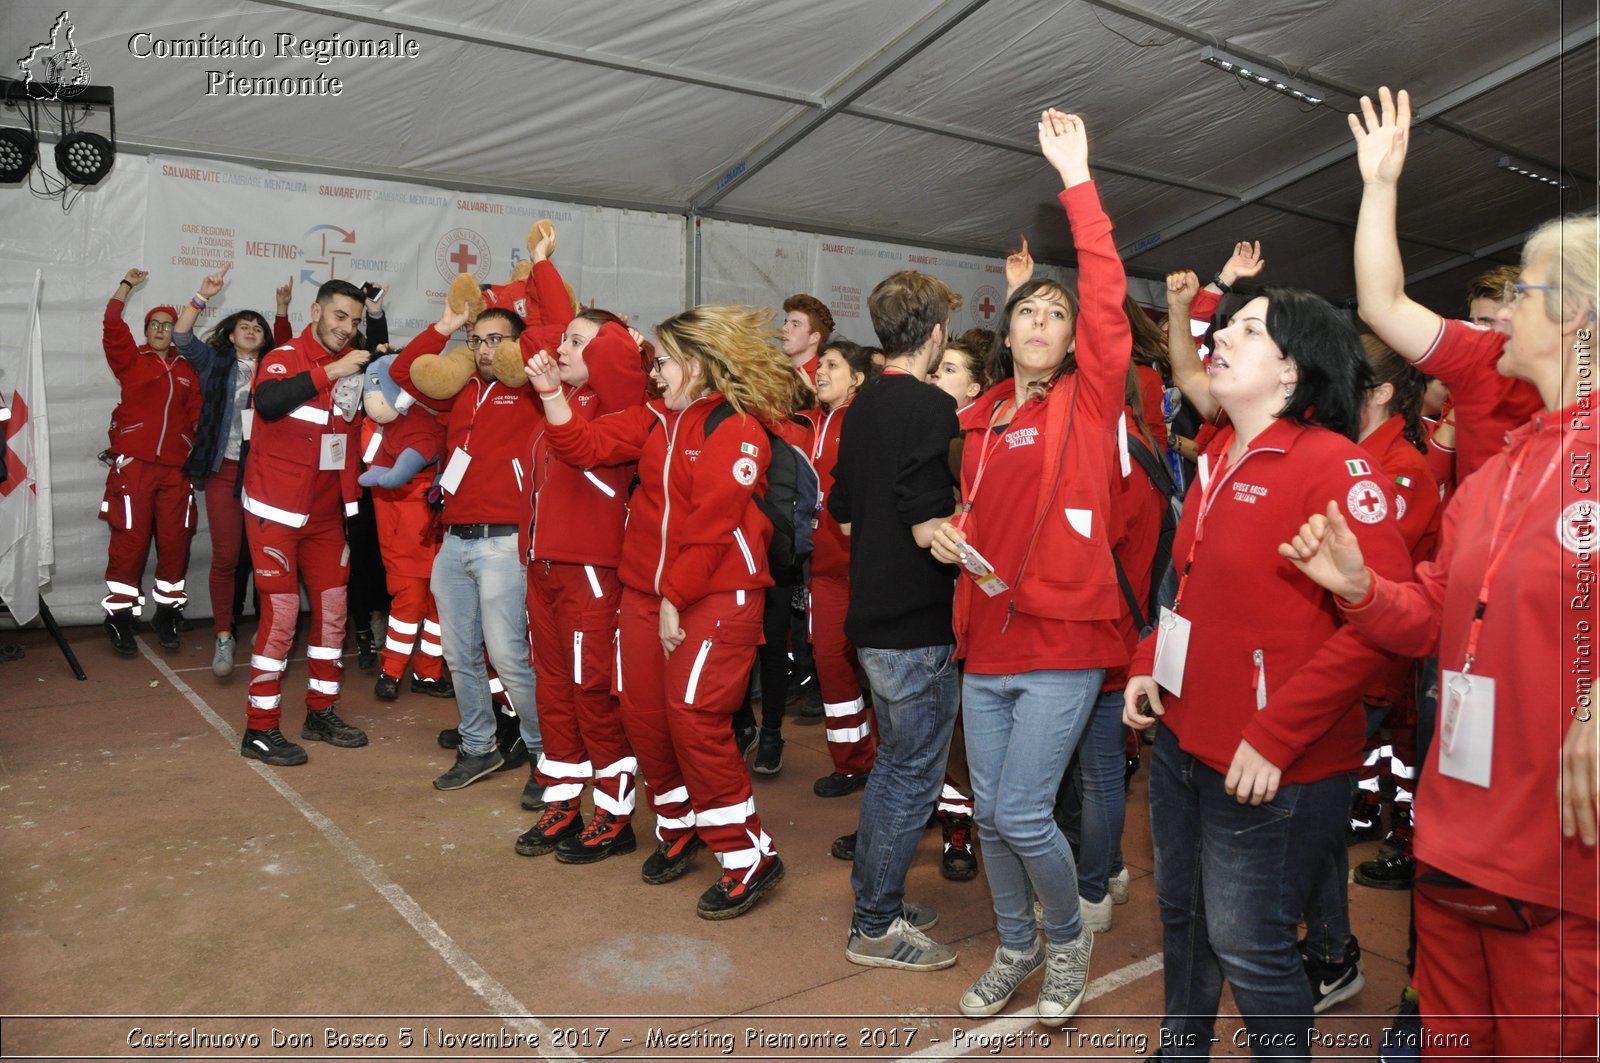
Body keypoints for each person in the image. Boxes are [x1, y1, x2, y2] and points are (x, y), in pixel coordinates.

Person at [1283, 206, 1599, 1058]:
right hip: (1457, 833)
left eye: (1522, 294)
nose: (1499, 319)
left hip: (1559, 861)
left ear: (1574, 313)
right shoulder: (1503, 468)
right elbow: (1430, 613)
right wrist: (1359, 589)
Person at [1120, 282, 1413, 1057]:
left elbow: (1380, 629)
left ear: (1293, 370)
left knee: (1250, 944)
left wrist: (1276, 734)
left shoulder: (1335, 469)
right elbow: (1187, 583)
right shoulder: (1221, 451)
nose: (1221, 338)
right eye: (1229, 325)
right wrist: (1152, 661)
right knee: (1182, 917)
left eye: (1248, 330)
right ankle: (1182, 1047)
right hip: (1185, 741)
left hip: (1273, 763)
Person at [928, 109, 1126, 1023]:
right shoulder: (985, 416)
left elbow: (1108, 298)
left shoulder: (1089, 402)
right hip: (989, 634)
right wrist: (946, 533)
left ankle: (1068, 937)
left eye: (1057, 313)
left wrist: (1077, 181)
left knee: (1019, 813)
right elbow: (982, 514)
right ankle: (1016, 945)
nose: (1043, 321)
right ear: (1005, 336)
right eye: (1027, 314)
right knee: (990, 810)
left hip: (1065, 634)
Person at [527, 305, 790, 920]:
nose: (657, 373)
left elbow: (713, 525)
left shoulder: (736, 427)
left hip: (714, 597)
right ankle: (679, 822)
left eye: (666, 361)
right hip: (650, 595)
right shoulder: (656, 420)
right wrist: (548, 393)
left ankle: (747, 852)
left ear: (697, 365)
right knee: (644, 717)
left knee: (695, 719)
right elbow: (583, 445)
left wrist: (675, 595)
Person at [832, 269, 962, 971]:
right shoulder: (934, 407)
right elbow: (924, 522)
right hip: (917, 622)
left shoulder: (861, 403)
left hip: (873, 617)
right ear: (937, 336)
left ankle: (877, 896)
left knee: (893, 767)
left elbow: (843, 508)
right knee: (911, 774)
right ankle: (875, 923)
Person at [389, 300, 543, 797]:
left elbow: (550, 343)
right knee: (459, 655)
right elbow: (402, 374)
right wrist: (448, 325)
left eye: (495, 339)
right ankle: (480, 747)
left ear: (518, 345)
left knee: (510, 657)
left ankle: (549, 757)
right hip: (454, 542)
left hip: (504, 541)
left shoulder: (533, 392)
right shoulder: (459, 391)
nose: (482, 349)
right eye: (476, 340)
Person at [515, 304, 650, 863]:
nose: (563, 349)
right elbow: (534, 337)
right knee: (553, 687)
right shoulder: (569, 397)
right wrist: (543, 268)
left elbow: (578, 445)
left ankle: (615, 816)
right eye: (566, 340)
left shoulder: (624, 407)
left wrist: (610, 339)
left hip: (591, 574)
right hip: (543, 568)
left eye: (580, 343)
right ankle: (564, 798)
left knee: (591, 691)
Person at [238, 279, 372, 766]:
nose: (346, 328)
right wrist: (331, 369)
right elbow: (270, 403)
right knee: (282, 616)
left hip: (325, 514)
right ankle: (260, 727)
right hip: (276, 512)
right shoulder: (286, 355)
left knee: (334, 611)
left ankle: (321, 711)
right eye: (339, 317)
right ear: (316, 311)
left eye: (353, 321)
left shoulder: (355, 362)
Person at [172, 263, 275, 677]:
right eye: (243, 326)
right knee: (227, 558)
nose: (251, 330)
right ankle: (223, 636)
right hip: (223, 470)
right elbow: (181, 336)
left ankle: (271, 629)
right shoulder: (214, 363)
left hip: (267, 476)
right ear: (231, 334)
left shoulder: (278, 368)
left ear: (266, 338)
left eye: (258, 327)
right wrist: (202, 296)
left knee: (271, 557)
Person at [99, 269, 201, 656]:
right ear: (146, 330)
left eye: (168, 325)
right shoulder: (131, 359)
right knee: (130, 542)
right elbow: (111, 323)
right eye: (155, 324)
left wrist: (195, 445)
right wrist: (125, 285)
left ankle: (168, 613)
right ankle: (121, 617)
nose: (161, 330)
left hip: (176, 470)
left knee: (176, 543)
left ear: (175, 331)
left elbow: (197, 413)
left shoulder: (187, 368)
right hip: (135, 466)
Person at [805, 339, 877, 797]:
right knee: (831, 663)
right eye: (818, 365)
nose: (820, 371)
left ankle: (893, 766)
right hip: (822, 571)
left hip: (868, 567)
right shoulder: (804, 422)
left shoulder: (866, 422)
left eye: (832, 365)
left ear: (857, 378)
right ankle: (852, 762)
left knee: (879, 670)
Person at [779, 293, 834, 389]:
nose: (784, 328)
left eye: (795, 325)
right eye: (785, 322)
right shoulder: (774, 371)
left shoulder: (823, 378)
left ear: (814, 337)